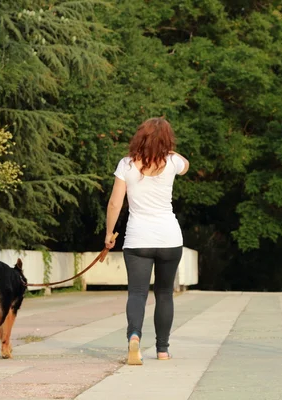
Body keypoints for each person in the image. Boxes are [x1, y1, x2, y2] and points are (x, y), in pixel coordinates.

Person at [104, 117, 189, 365]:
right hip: (169, 238)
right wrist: (169, 150)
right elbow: (187, 164)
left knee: (138, 293)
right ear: (167, 140)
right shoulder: (172, 161)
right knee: (164, 294)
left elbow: (114, 203)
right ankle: (162, 350)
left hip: (138, 239)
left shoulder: (126, 165)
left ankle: (134, 337)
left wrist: (109, 234)